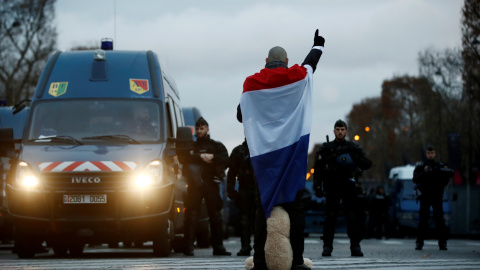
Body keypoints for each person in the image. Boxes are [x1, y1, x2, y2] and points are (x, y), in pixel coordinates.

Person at [238, 29, 324, 270]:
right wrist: (318, 46)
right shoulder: (296, 77)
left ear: (266, 62)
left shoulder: (251, 83)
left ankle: (260, 262)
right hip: (291, 158)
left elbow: (240, 113)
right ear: (286, 62)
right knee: (296, 210)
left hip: (263, 161)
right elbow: (310, 67)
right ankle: (297, 261)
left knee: (262, 209)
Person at [313, 119, 372, 257]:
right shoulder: (326, 149)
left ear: (346, 131)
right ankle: (327, 246)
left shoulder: (353, 148)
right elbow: (318, 169)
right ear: (334, 131)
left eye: (342, 129)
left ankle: (355, 246)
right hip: (331, 186)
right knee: (330, 217)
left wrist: (356, 160)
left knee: (352, 217)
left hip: (348, 186)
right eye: (337, 129)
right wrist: (317, 186)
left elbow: (367, 164)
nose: (340, 132)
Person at [180, 117, 231, 256]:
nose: (199, 131)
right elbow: (183, 157)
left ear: (207, 129)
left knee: (215, 215)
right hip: (194, 185)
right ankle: (188, 247)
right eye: (197, 129)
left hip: (210, 183)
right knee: (191, 214)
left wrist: (212, 157)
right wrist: (201, 156)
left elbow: (226, 160)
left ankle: (218, 247)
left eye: (202, 128)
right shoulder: (191, 145)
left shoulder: (216, 146)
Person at [413, 145, 453, 251]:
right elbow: (415, 179)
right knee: (423, 220)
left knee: (439, 219)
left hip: (436, 196)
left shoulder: (440, 166)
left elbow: (447, 178)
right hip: (425, 196)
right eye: (428, 153)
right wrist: (424, 172)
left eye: (432, 153)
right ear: (426, 154)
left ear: (435, 154)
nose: (430, 155)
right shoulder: (421, 166)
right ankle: (419, 242)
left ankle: (442, 243)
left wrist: (439, 179)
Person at [227, 138, 256, 256]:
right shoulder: (239, 151)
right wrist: (231, 190)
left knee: (259, 219)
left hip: (259, 189)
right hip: (245, 189)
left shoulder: (261, 148)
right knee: (244, 220)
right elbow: (232, 172)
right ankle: (245, 246)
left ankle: (257, 246)